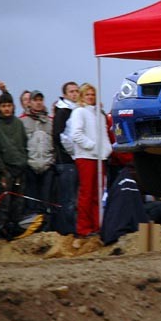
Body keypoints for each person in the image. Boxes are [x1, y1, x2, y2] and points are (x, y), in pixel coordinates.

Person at [67, 83, 111, 237]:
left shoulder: (99, 115)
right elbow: (76, 134)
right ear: (82, 96)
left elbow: (104, 134)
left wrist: (106, 150)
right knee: (86, 193)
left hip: (99, 158)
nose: (90, 97)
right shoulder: (79, 112)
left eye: (92, 94)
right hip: (86, 157)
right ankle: (83, 228)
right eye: (87, 94)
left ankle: (96, 225)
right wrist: (92, 146)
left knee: (98, 194)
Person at [0, 92, 28, 240]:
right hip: (3, 171)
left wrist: (23, 161)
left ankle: (14, 229)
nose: (7, 108)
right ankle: (0, 233)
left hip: (19, 168)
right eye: (4, 106)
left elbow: (24, 144)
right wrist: (2, 170)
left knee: (18, 203)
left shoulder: (18, 123)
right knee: (4, 203)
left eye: (9, 105)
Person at [20, 90, 54, 229]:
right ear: (30, 102)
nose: (38, 103)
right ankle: (32, 229)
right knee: (31, 201)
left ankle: (46, 228)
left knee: (46, 200)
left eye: (41, 100)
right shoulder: (22, 121)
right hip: (30, 165)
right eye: (35, 100)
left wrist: (52, 160)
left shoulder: (50, 121)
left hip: (47, 165)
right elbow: (20, 144)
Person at [51, 81, 79, 235]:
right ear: (65, 94)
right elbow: (58, 135)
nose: (74, 94)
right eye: (71, 91)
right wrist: (72, 153)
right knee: (68, 199)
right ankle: (68, 231)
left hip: (74, 160)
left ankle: (72, 228)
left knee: (73, 198)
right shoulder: (63, 111)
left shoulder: (76, 110)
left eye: (76, 91)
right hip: (66, 161)